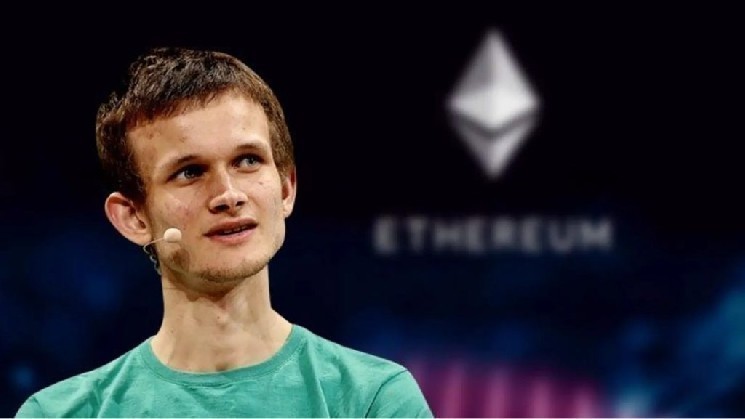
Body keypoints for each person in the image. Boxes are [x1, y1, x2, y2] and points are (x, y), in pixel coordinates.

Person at [16, 47, 433, 418]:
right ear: (133, 217)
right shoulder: (59, 414)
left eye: (248, 161)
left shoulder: (373, 400)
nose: (228, 195)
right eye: (190, 172)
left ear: (285, 189)